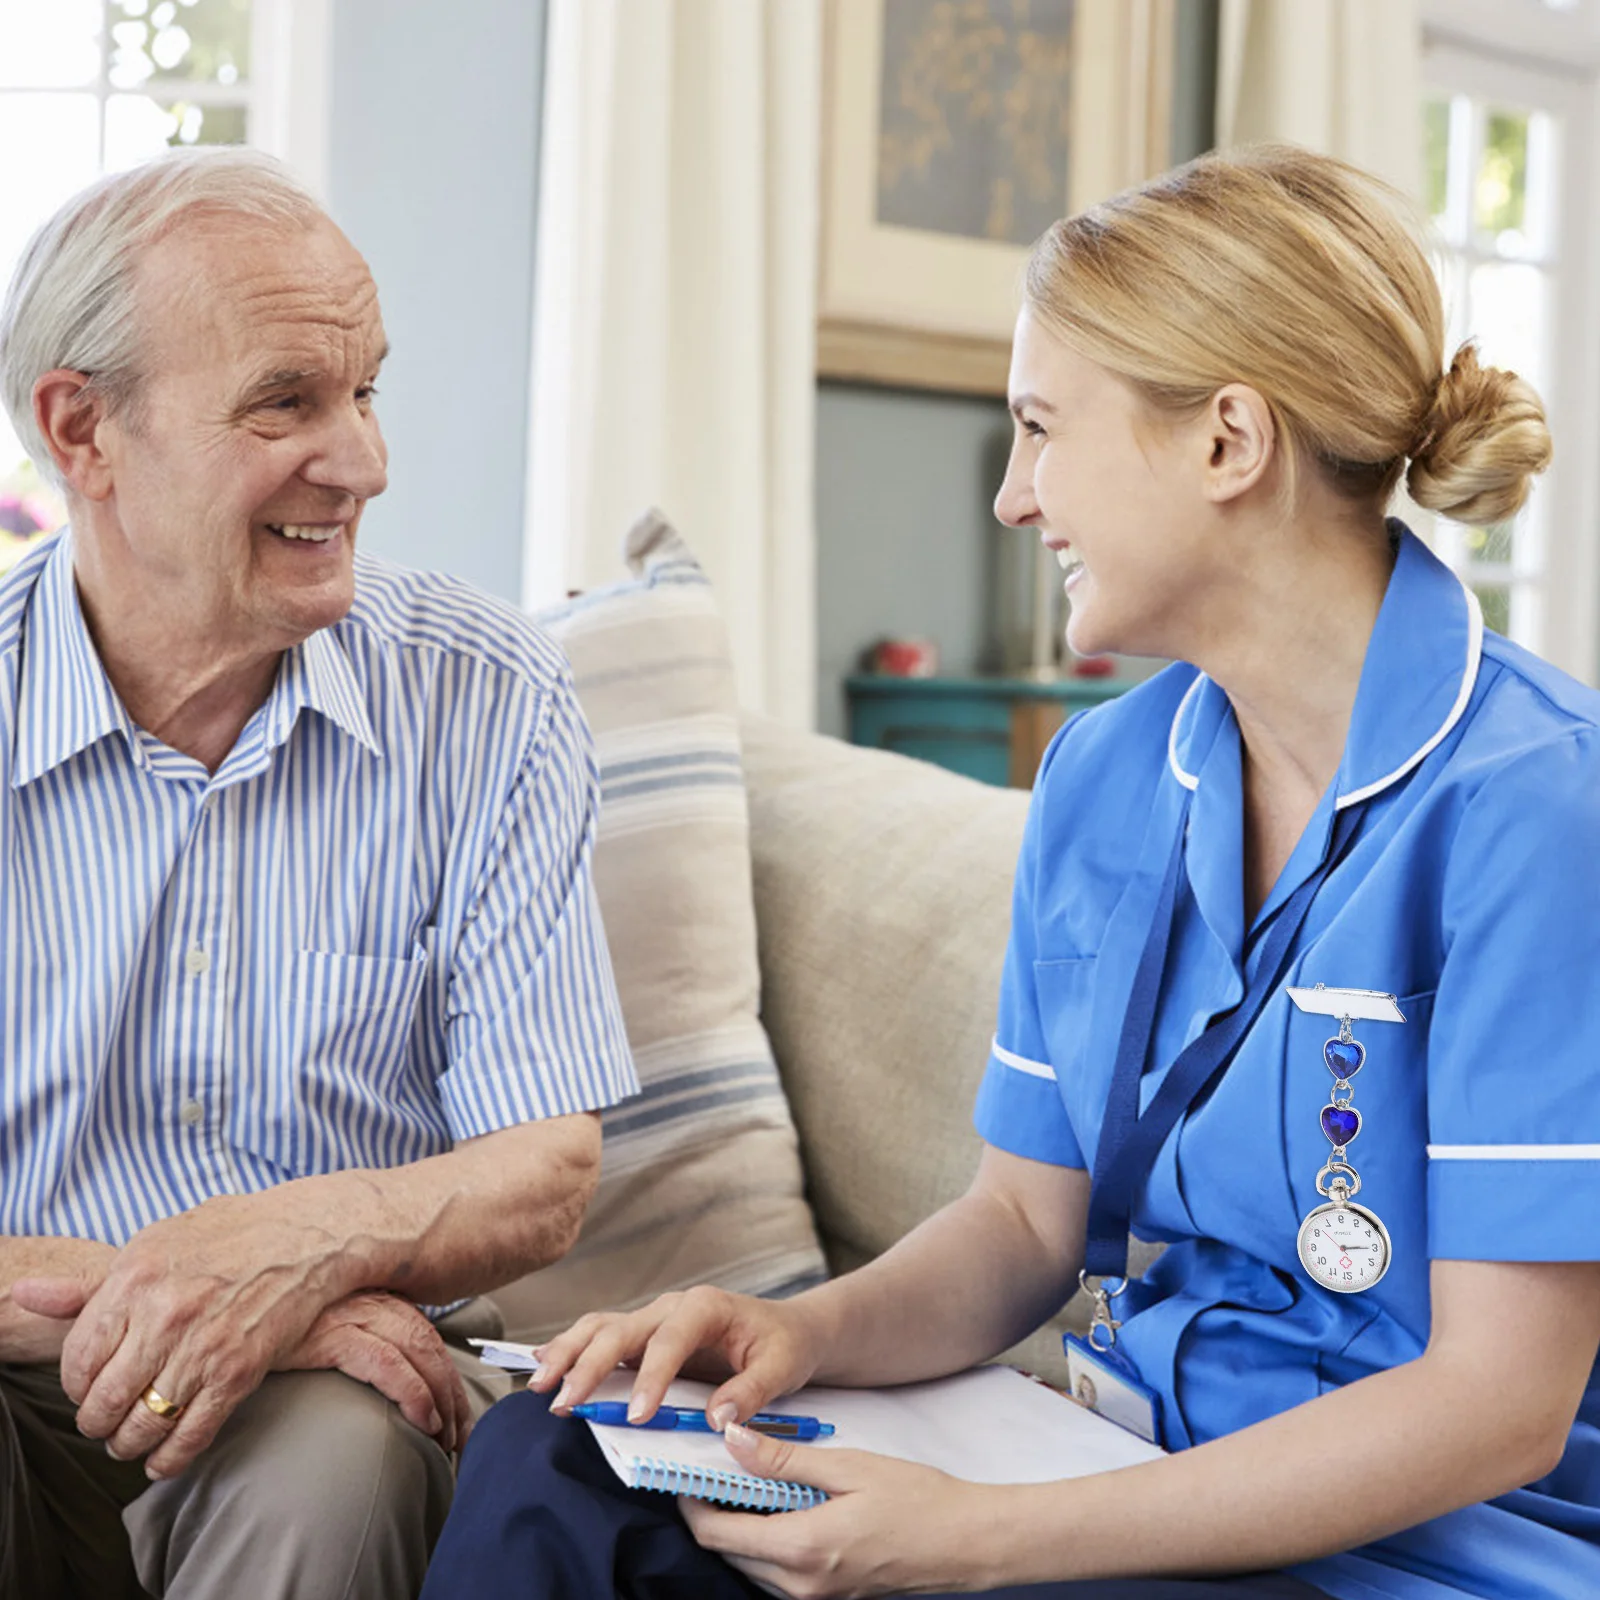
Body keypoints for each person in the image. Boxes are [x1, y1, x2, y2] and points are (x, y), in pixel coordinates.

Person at [418, 145, 1600, 1600]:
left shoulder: (1540, 805)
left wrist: (973, 1538)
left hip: (1398, 1553)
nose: (1013, 498)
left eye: (1042, 429)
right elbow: (1025, 1226)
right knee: (556, 1457)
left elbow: (1500, 1403)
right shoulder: (1107, 778)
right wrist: (797, 1332)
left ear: (1229, 442)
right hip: (1110, 1463)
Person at [0, 148, 639, 1600]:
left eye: (365, 392)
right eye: (286, 401)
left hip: (334, 1401)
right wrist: (226, 1299)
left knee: (336, 1467)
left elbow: (543, 1167)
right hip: (23, 1365)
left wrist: (304, 1248)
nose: (362, 461)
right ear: (83, 430)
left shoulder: (483, 694)